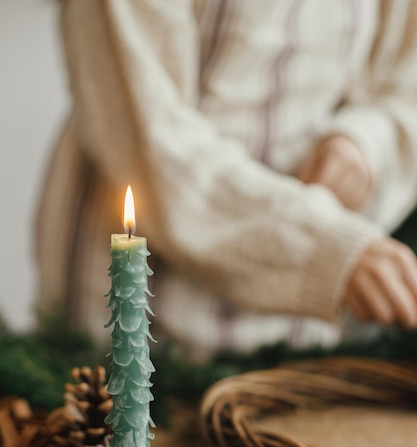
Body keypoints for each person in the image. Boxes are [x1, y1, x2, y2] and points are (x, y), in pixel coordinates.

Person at [36, 0, 417, 360]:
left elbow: (406, 78)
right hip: (132, 323)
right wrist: (320, 248)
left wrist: (366, 142)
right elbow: (148, 143)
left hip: (300, 332)